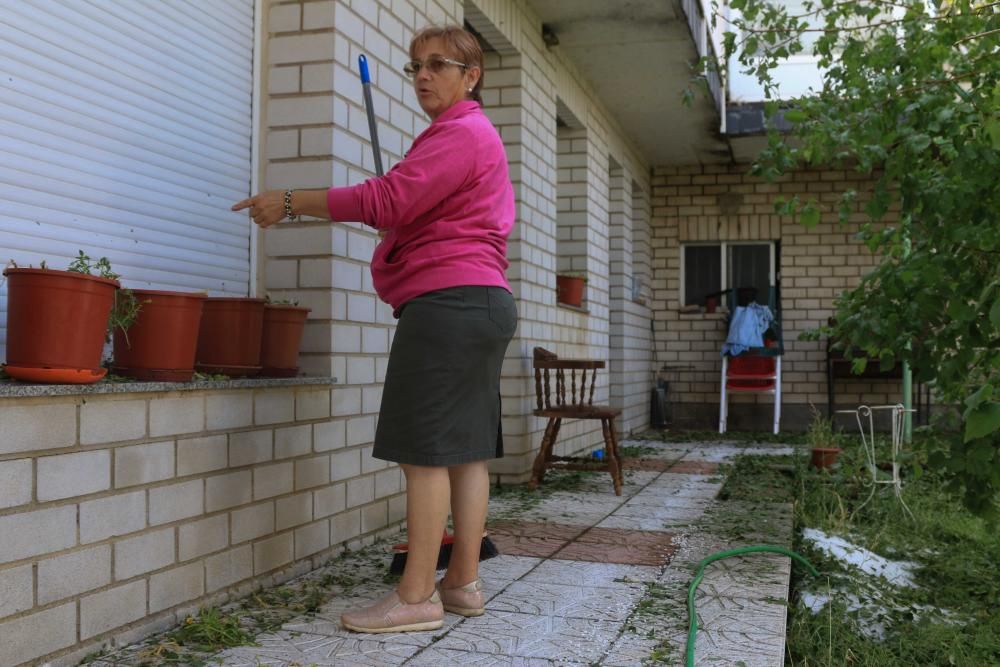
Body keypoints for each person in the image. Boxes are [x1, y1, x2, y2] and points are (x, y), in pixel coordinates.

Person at [232, 25, 517, 633]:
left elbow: (387, 200)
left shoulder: (460, 132)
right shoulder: (465, 137)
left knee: (423, 456)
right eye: (414, 65)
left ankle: (416, 597)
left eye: (437, 65)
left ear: (472, 77)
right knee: (464, 452)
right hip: (482, 302)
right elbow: (409, 209)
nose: (421, 76)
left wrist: (289, 201)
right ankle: (461, 581)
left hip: (449, 306)